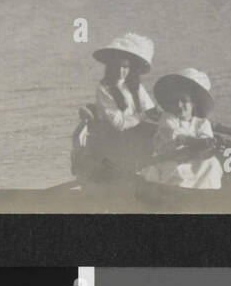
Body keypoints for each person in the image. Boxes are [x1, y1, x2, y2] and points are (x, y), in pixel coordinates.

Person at [71, 33, 157, 179]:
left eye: (126, 67)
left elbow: (150, 110)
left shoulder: (135, 86)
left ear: (131, 68)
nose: (121, 71)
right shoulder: (104, 88)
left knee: (160, 132)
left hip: (134, 133)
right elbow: (120, 124)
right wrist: (144, 116)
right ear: (111, 66)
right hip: (113, 138)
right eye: (118, 66)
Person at [143, 68, 223, 189]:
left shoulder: (202, 123)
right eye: (176, 101)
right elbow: (177, 137)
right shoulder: (168, 118)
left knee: (212, 164)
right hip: (168, 159)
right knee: (177, 171)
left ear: (194, 103)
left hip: (192, 159)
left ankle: (206, 193)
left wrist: (208, 143)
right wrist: (195, 142)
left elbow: (205, 139)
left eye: (184, 101)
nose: (179, 105)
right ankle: (181, 196)